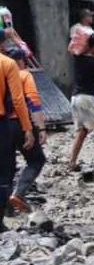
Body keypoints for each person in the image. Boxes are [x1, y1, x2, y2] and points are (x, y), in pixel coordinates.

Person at [0, 30, 34, 231]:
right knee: (5, 170)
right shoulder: (8, 63)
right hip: (2, 121)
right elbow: (18, 100)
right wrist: (27, 128)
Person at [6, 48, 45, 213]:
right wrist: (41, 128)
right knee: (36, 160)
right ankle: (18, 194)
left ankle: (6, 208)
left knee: (7, 167)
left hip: (2, 124)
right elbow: (33, 102)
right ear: (22, 61)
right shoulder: (24, 75)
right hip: (20, 123)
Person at [67, 33, 94, 172]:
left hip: (75, 98)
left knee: (83, 131)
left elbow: (72, 48)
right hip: (87, 98)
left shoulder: (78, 58)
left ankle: (72, 162)